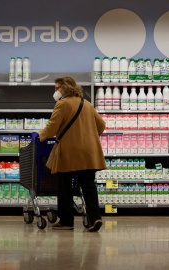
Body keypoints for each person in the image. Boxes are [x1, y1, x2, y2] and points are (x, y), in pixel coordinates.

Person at [39, 76, 106, 232]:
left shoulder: (62, 104)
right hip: (89, 152)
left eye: (57, 88)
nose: (55, 91)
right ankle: (95, 218)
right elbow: (101, 125)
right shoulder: (87, 104)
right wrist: (88, 136)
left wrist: (40, 135)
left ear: (65, 88)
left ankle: (67, 221)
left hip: (69, 151)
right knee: (89, 186)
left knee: (65, 186)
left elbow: (52, 128)